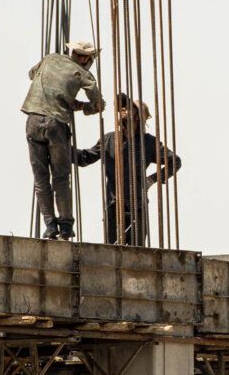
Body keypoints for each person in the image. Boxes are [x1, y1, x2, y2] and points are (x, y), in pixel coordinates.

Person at [21, 40, 104, 240]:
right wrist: (85, 107)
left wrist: (68, 99)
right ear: (85, 58)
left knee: (41, 178)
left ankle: (50, 225)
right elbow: (97, 103)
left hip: (33, 120)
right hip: (56, 125)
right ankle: (65, 225)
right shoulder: (83, 74)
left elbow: (32, 75)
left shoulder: (50, 58)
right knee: (60, 177)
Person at [75, 95, 181, 246]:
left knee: (136, 253)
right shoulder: (109, 140)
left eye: (130, 108)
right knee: (111, 253)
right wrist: (64, 149)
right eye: (123, 109)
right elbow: (85, 158)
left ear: (140, 116)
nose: (124, 110)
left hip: (137, 207)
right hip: (113, 208)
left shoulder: (149, 142)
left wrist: (152, 179)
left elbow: (174, 161)